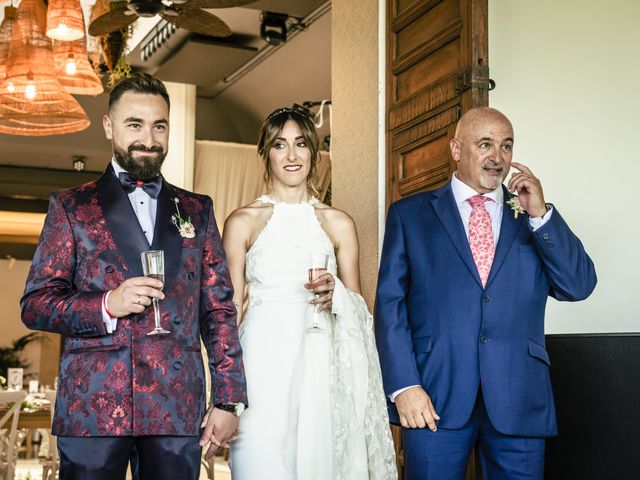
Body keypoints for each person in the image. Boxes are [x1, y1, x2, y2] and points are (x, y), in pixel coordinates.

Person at [20, 73, 246, 480]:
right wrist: (107, 304)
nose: (148, 137)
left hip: (175, 406)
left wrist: (228, 401)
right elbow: (36, 304)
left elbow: (219, 312)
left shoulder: (197, 210)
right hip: (93, 407)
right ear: (109, 126)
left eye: (159, 125)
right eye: (134, 124)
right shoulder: (72, 207)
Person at [374, 107, 597, 479]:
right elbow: (389, 307)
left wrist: (541, 214)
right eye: (486, 144)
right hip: (433, 396)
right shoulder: (410, 215)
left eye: (506, 146)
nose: (498, 157)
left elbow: (578, 285)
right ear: (457, 149)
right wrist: (404, 386)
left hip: (520, 398)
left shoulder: (530, 217)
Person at [223, 107, 396, 479]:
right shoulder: (242, 222)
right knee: (257, 462)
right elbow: (229, 310)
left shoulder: (338, 223)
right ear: (265, 153)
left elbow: (363, 314)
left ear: (313, 153)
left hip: (319, 364)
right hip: (260, 365)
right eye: (280, 145)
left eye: (300, 144)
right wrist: (221, 388)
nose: (291, 155)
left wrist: (339, 296)